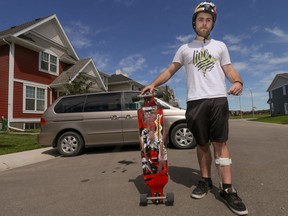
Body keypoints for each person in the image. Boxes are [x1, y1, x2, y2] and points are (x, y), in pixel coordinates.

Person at [141, 1, 248, 215]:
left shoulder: (220, 46)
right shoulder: (184, 49)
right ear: (194, 22)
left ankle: (228, 189)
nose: (204, 23)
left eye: (208, 20)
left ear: (212, 23)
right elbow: (170, 71)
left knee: (220, 143)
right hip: (195, 101)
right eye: (201, 19)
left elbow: (229, 69)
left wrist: (238, 82)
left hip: (217, 99)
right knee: (201, 144)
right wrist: (153, 84)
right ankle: (205, 180)